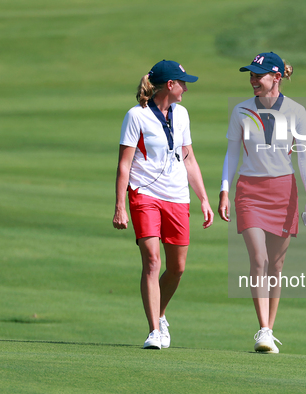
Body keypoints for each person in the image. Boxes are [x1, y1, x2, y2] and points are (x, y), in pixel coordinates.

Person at [218, 52, 306, 353]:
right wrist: (224, 189)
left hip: (283, 192)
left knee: (276, 265)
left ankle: (269, 329)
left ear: (276, 78)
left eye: (258, 75)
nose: (252, 81)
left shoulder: (296, 111)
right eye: (250, 75)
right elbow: (232, 154)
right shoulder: (241, 110)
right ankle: (262, 329)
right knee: (259, 259)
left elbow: (304, 156)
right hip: (249, 190)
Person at [113, 60, 214, 350]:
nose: (185, 87)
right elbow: (124, 164)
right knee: (153, 261)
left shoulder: (182, 115)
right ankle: (154, 331)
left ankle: (161, 313)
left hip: (177, 195)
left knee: (178, 267)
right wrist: (120, 205)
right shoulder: (136, 116)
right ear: (169, 85)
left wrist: (204, 199)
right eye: (182, 82)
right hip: (144, 193)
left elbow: (188, 158)